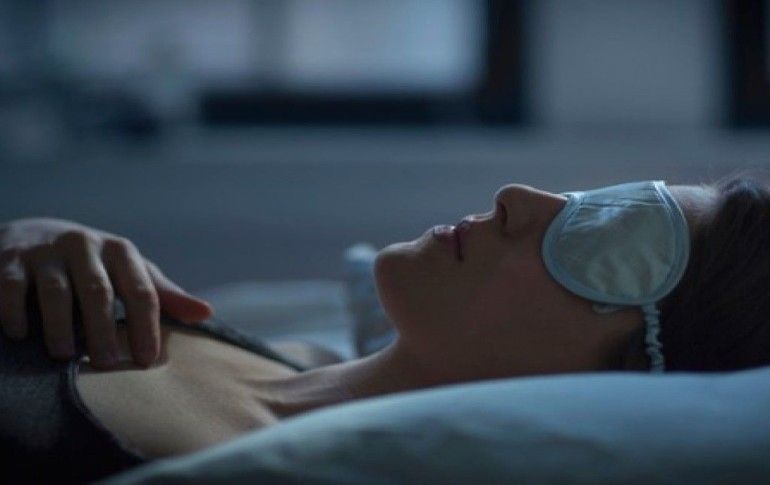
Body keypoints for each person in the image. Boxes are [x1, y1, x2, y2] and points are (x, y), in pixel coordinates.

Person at [1, 172, 769, 482]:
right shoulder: (283, 350)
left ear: (637, 375)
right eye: (589, 199)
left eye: (606, 237)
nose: (517, 196)